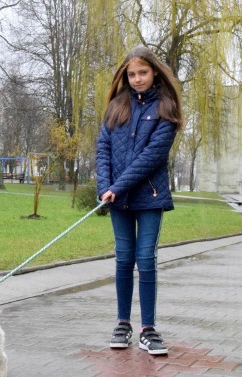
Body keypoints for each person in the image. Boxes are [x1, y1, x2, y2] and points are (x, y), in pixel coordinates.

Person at [96, 46, 184, 355]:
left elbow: (151, 157)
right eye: (131, 74)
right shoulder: (116, 106)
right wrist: (104, 186)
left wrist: (116, 186)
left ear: (155, 72)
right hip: (118, 200)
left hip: (150, 197)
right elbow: (103, 149)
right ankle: (123, 323)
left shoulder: (166, 108)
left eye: (143, 73)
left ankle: (149, 328)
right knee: (123, 258)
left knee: (145, 259)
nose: (137, 79)